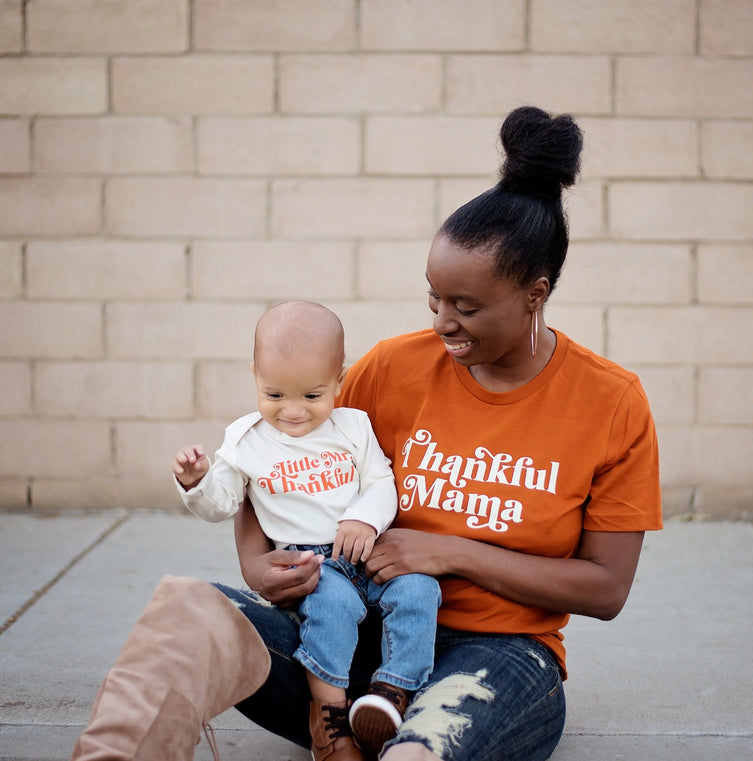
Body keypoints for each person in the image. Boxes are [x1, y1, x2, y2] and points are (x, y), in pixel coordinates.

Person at [70, 105, 661, 761]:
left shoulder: (610, 401)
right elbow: (281, 452)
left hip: (501, 657)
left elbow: (605, 589)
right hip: (354, 640)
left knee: (414, 754)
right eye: (434, 299)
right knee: (188, 612)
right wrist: (255, 560)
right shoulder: (393, 367)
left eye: (466, 308)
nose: (443, 322)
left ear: (535, 294)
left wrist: (449, 553)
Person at [173, 301, 441, 761]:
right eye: (274, 395)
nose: (293, 412)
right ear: (256, 374)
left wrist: (364, 518)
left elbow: (381, 483)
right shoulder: (246, 440)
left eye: (312, 396)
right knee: (332, 612)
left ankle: (392, 691)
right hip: (314, 564)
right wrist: (196, 482)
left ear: (339, 379)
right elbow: (223, 503)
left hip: (367, 550)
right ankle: (331, 723)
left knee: (419, 591)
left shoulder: (353, 426)